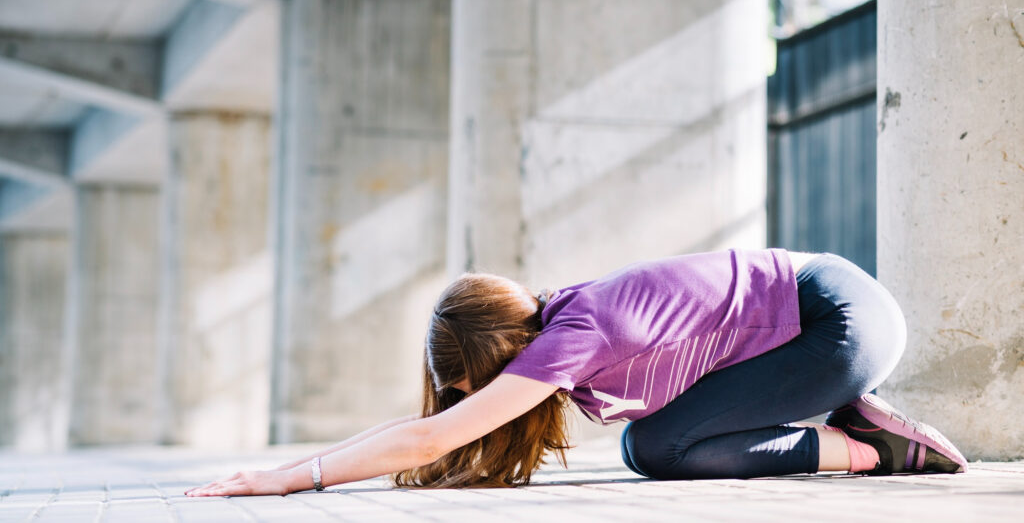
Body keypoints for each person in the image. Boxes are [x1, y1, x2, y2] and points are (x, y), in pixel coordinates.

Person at [185, 249, 966, 497]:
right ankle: (853, 421)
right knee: (648, 446)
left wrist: (286, 480)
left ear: (496, 357)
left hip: (842, 325)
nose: (479, 406)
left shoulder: (574, 333)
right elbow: (431, 428)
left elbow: (430, 439)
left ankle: (872, 448)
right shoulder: (565, 320)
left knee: (659, 450)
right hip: (829, 314)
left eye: (474, 388)